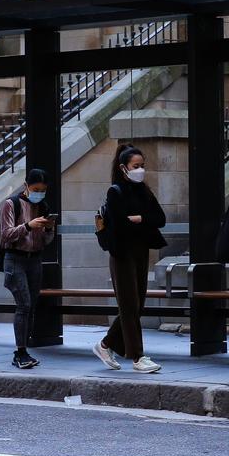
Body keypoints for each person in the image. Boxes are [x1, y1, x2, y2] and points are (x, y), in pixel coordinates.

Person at [93, 144, 167, 374]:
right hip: (122, 253)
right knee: (129, 306)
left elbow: (159, 217)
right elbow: (118, 226)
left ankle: (105, 345)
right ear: (124, 168)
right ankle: (137, 356)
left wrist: (140, 218)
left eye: (142, 166)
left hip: (141, 251)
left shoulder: (143, 190)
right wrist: (138, 221)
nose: (140, 170)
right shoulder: (115, 192)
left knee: (137, 305)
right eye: (136, 166)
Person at [0, 168, 56, 369]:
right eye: (35, 189)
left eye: (43, 189)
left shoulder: (43, 207)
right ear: (26, 186)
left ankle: (25, 350)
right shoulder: (11, 204)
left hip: (35, 259)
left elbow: (46, 240)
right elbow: (5, 236)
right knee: (23, 305)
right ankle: (20, 352)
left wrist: (48, 228)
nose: (39, 193)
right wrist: (29, 226)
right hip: (16, 259)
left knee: (30, 306)